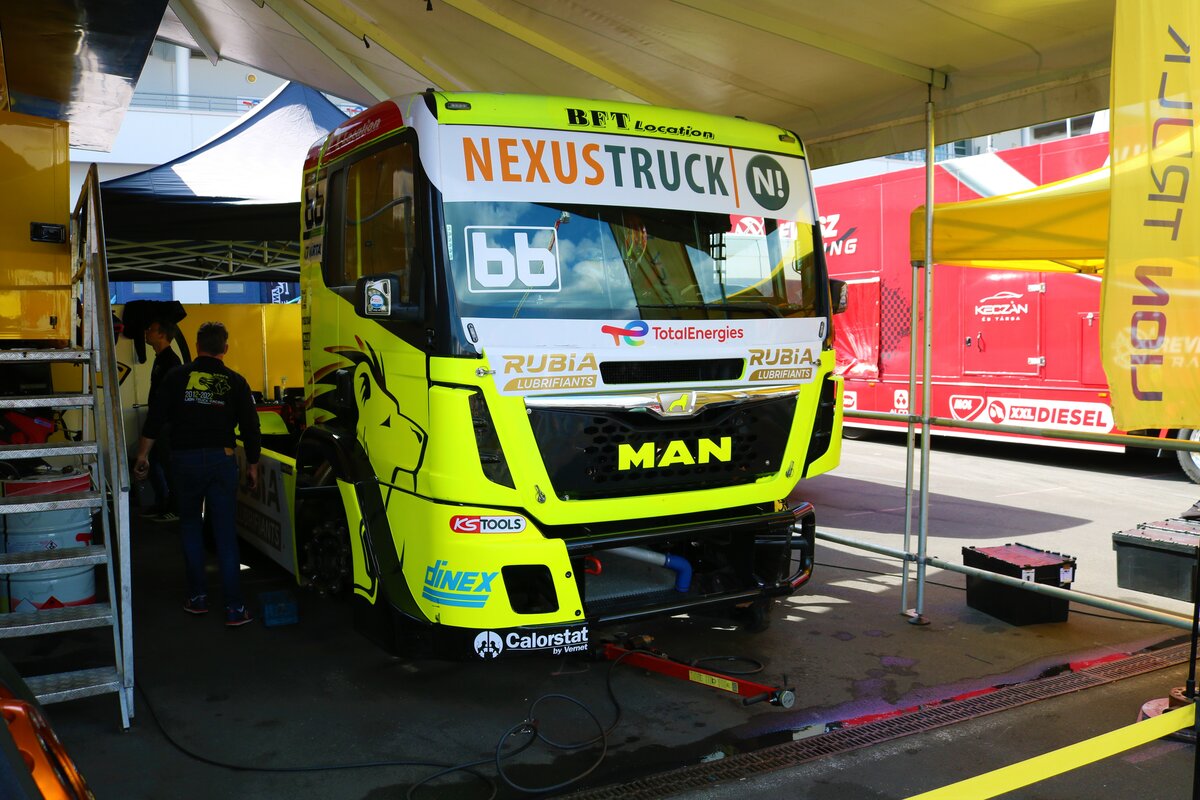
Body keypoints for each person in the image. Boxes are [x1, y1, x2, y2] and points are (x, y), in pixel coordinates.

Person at [133, 322, 262, 627]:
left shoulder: (177, 377)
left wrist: (143, 455)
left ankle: (198, 598)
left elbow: (155, 418)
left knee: (190, 526)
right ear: (225, 348)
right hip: (222, 460)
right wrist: (253, 464)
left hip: (185, 460)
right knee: (225, 533)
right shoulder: (236, 381)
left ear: (197, 343)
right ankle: (233, 608)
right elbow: (251, 427)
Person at [142, 320, 182, 522]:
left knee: (168, 464)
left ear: (162, 334)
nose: (146, 332)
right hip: (160, 422)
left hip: (167, 424)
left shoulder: (171, 362)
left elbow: (170, 398)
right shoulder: (160, 359)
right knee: (155, 462)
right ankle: (163, 502)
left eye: (151, 329)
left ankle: (176, 508)